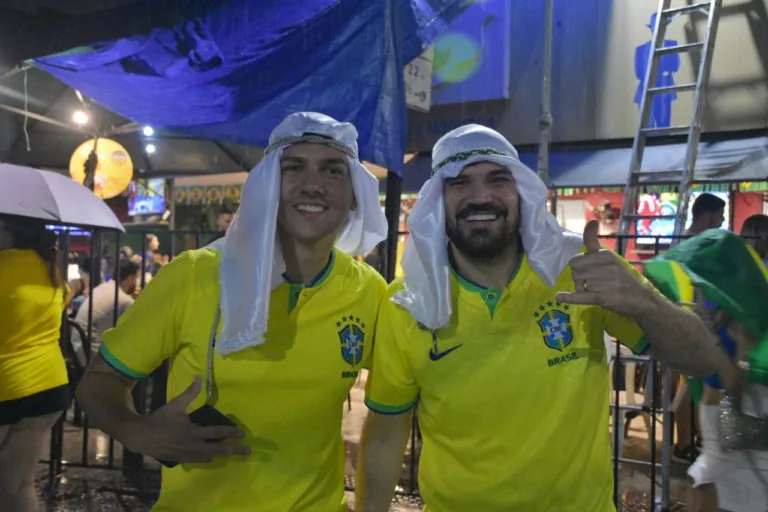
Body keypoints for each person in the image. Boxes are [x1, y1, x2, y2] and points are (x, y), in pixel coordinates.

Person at [355, 124, 731, 512]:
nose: (480, 195)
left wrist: (645, 301)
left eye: (498, 179)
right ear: (438, 201)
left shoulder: (581, 270)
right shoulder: (407, 303)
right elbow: (385, 431)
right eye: (460, 183)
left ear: (521, 193)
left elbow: (702, 360)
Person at [75, 112, 388, 511]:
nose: (313, 185)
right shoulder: (192, 276)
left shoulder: (368, 291)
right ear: (267, 185)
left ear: (355, 195)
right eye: (293, 168)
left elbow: (401, 400)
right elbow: (98, 383)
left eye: (332, 171)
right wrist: (138, 432)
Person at [684, 215, 768, 512]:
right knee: (726, 464)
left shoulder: (724, 282)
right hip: (746, 383)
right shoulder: (757, 283)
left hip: (714, 383)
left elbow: (706, 321)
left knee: (713, 460)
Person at [0, 215, 70, 511]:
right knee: (20, 484)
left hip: (7, 385)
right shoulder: (51, 271)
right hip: (49, 385)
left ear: (10, 235)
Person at [670, 191, 728, 463]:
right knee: (688, 384)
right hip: (690, 324)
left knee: (695, 384)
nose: (722, 220)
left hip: (691, 321)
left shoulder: (685, 242)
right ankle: (683, 445)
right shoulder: (695, 245)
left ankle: (691, 441)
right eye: (719, 215)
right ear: (706, 215)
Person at [71, 258, 141, 359]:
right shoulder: (124, 300)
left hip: (79, 347)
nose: (137, 282)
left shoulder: (105, 287)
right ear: (130, 278)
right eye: (136, 278)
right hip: (92, 354)